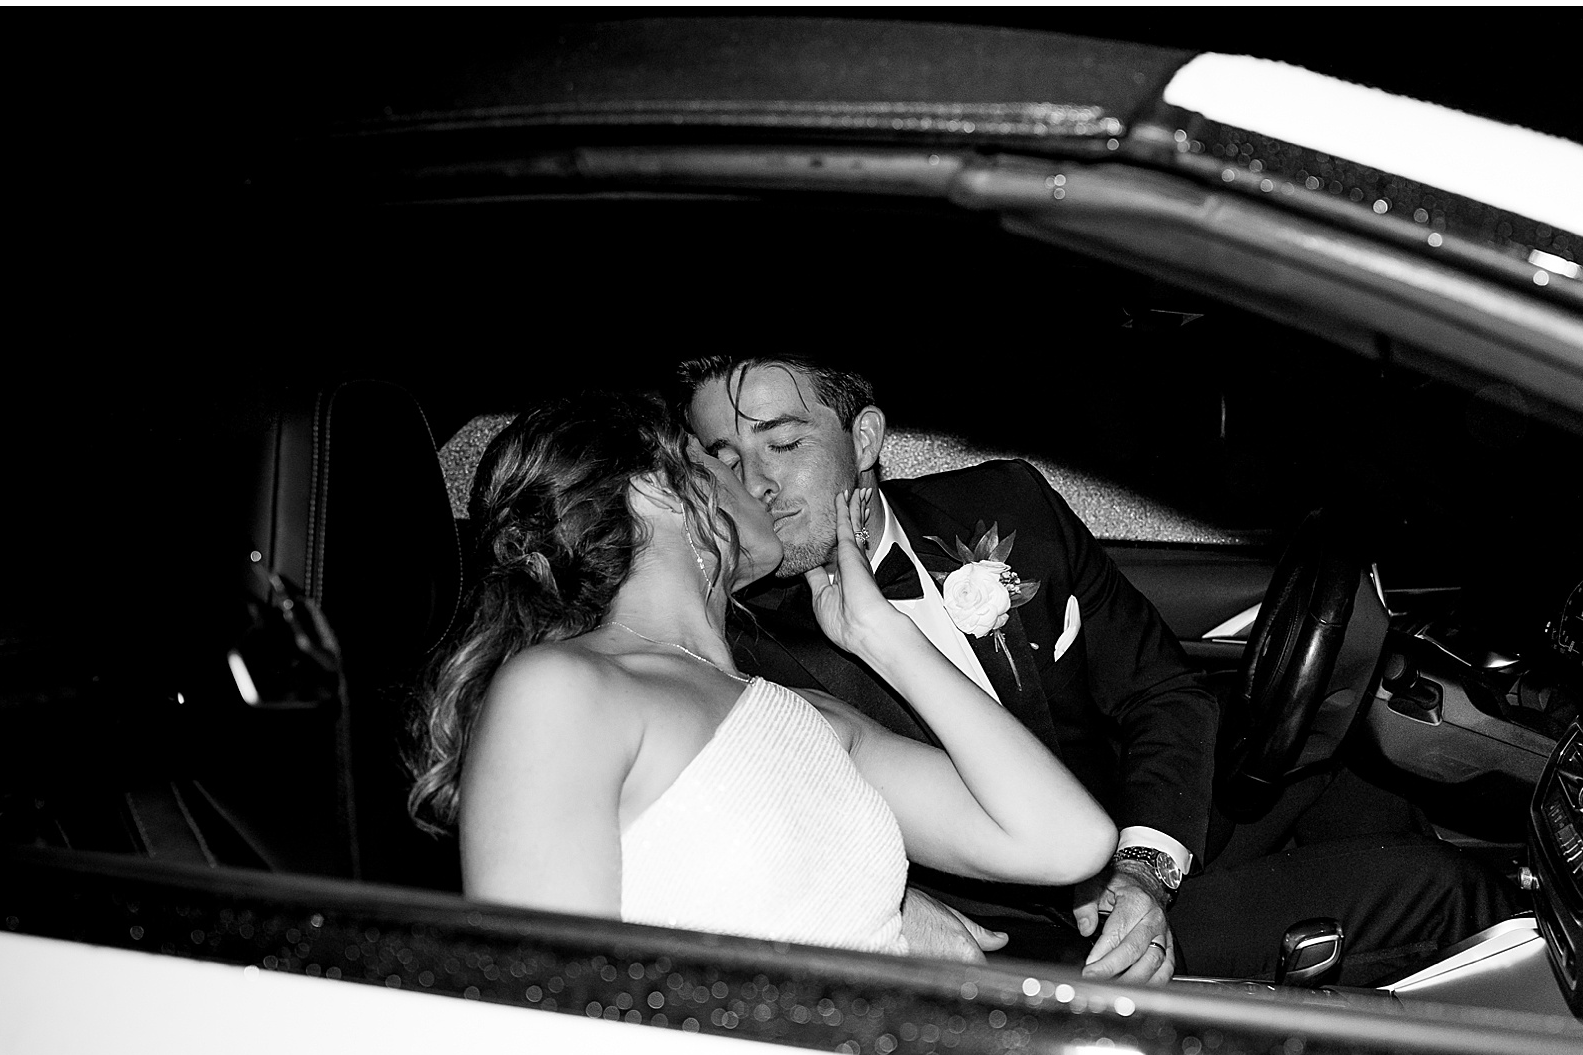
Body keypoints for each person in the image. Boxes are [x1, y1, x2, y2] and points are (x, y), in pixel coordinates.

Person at [681, 353, 1513, 985]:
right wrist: (895, 905)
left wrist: (1146, 864)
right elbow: (739, 851)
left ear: (864, 438)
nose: (755, 484)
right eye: (723, 458)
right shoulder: (735, 648)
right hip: (1040, 935)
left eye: (783, 443)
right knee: (1449, 890)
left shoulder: (1006, 505)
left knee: (1348, 764)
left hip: (1138, 832)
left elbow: (1162, 689)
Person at [406, 391, 1118, 956]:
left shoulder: (806, 715)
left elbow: (1067, 840)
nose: (755, 483)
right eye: (719, 459)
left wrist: (885, 640)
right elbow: (544, 1003)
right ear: (659, 490)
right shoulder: (562, 691)